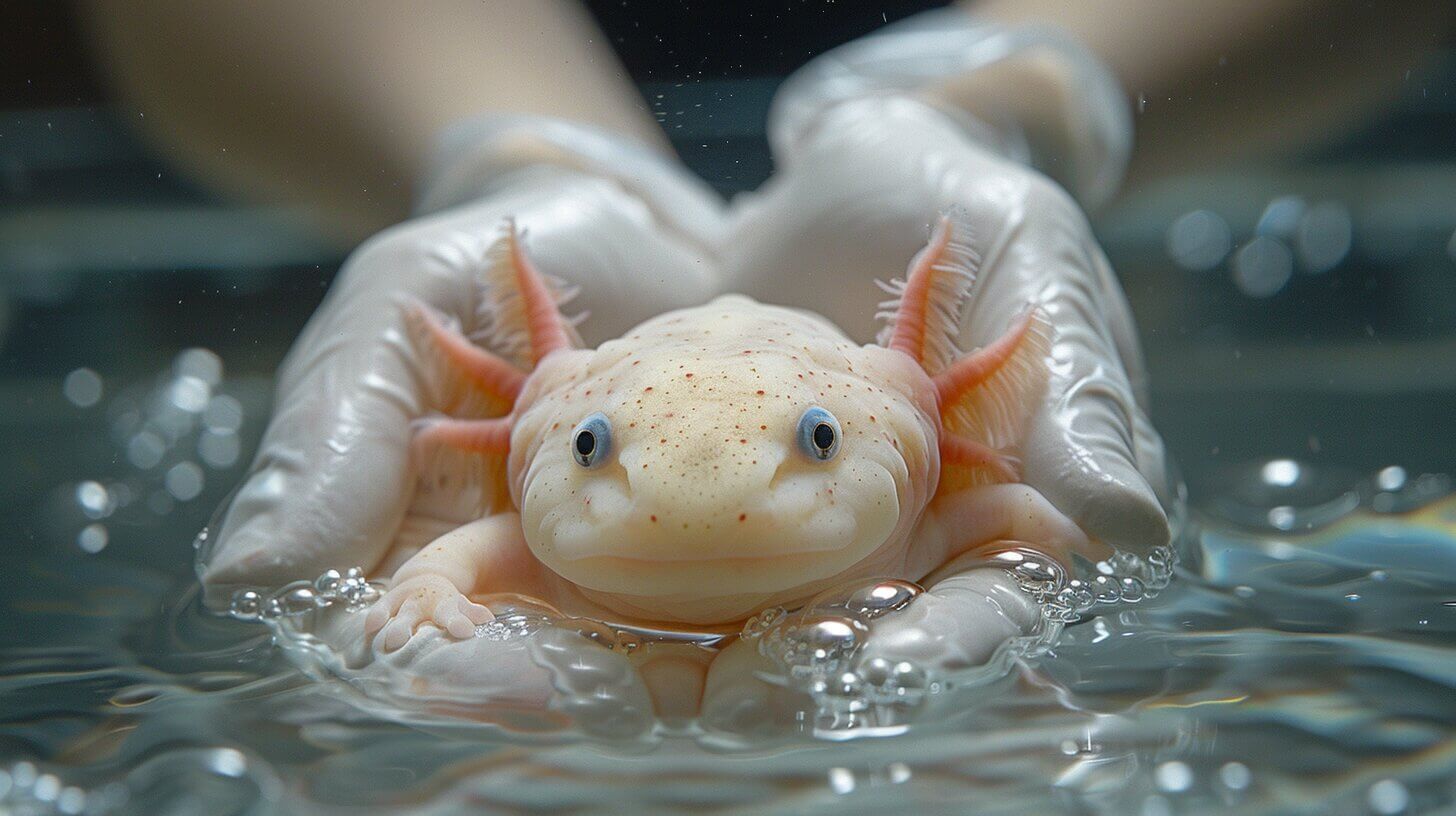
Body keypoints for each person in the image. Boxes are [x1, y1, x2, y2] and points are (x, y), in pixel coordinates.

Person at [76, 0, 1455, 725]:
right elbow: (462, 558)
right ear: (510, 424)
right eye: (594, 457)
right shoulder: (528, 487)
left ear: (946, 417)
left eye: (814, 446)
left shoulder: (950, 456)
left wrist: (1016, 98)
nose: (697, 502)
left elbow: (1030, 518)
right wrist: (508, 157)